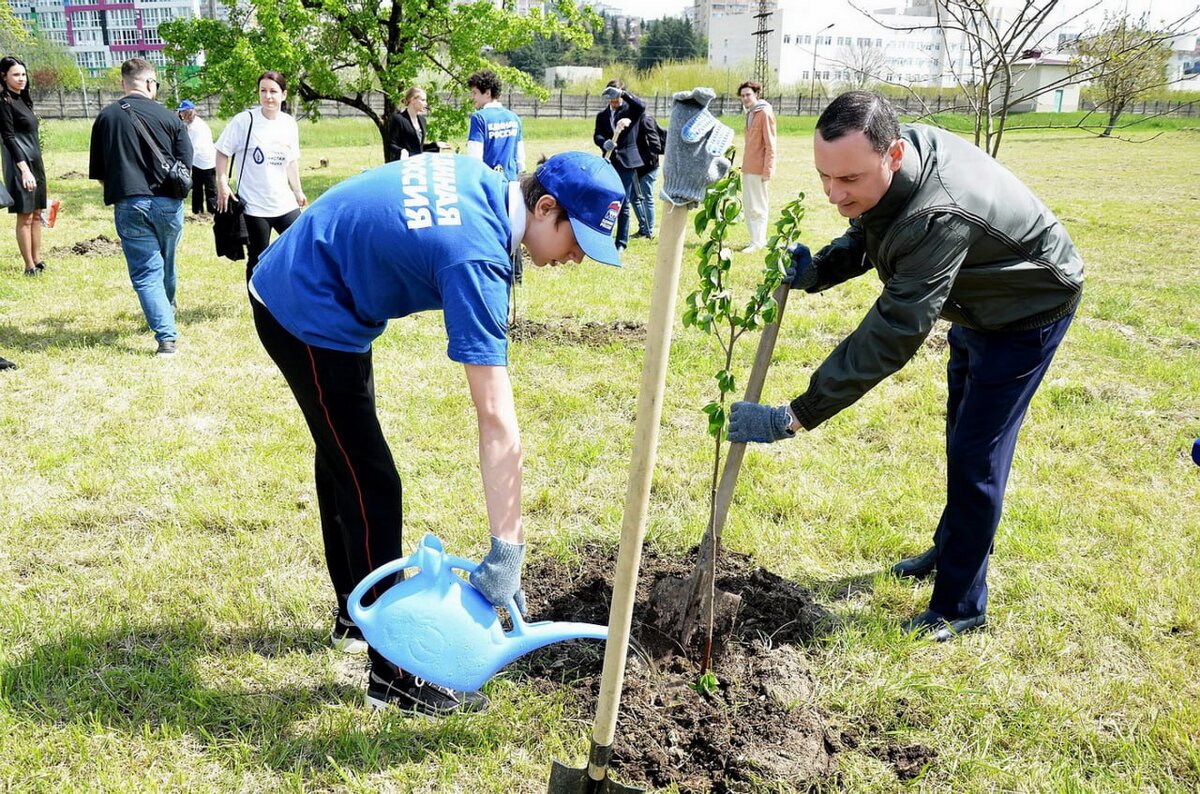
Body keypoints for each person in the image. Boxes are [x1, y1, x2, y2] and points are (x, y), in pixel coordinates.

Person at [247, 151, 624, 716]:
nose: (575, 260)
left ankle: (356, 614)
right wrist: (507, 549)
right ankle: (394, 673)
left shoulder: (487, 186)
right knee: (371, 482)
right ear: (545, 208)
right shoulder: (476, 256)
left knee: (345, 454)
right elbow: (495, 415)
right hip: (304, 304)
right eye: (577, 243)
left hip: (322, 285)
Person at [728, 91, 1084, 642]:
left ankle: (961, 605)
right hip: (977, 296)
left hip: (1027, 306)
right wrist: (818, 270)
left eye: (847, 180)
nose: (833, 193)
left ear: (891, 155)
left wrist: (794, 415)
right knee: (960, 433)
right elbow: (871, 227)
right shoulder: (895, 162)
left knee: (977, 453)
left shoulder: (936, 215)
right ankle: (951, 549)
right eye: (825, 176)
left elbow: (892, 332)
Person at [89, 57, 192, 356]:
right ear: (149, 83)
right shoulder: (171, 118)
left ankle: (167, 339)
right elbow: (186, 164)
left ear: (124, 83)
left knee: (147, 272)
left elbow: (99, 174)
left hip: (129, 203)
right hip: (169, 204)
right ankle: (167, 309)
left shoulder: (106, 117)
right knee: (167, 262)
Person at [214, 71, 306, 279]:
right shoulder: (244, 121)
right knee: (258, 258)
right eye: (263, 91)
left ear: (284, 94)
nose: (268, 96)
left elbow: (291, 161)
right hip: (255, 207)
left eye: (273, 91)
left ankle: (291, 293)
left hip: (284, 203)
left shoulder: (289, 123)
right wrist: (222, 181)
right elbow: (222, 151)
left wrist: (298, 191)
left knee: (302, 246)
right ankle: (259, 307)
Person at [0, 56, 48, 276]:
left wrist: (34, 166)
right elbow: (9, 138)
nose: (21, 79)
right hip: (20, 163)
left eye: (23, 74)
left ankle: (37, 259)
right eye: (15, 75)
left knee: (37, 212)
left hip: (35, 161)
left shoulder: (24, 99)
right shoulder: (4, 101)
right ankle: (28, 265)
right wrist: (24, 169)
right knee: (25, 215)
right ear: (4, 77)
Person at [592, 79, 646, 250]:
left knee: (623, 202)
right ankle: (602, 235)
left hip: (626, 162)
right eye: (612, 98)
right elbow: (597, 135)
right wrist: (604, 143)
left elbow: (641, 106)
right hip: (609, 161)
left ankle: (621, 242)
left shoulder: (631, 111)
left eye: (617, 97)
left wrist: (623, 93)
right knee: (606, 200)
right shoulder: (602, 116)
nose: (614, 101)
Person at [738, 80, 776, 253]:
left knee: (758, 206)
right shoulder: (750, 113)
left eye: (748, 95)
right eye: (743, 95)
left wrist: (768, 169)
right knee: (749, 205)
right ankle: (755, 239)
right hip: (748, 168)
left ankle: (758, 242)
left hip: (759, 169)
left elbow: (770, 143)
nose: (745, 98)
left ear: (756, 95)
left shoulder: (764, 112)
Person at [465, 70, 525, 179]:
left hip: (489, 182)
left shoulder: (479, 118)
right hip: (511, 181)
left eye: (474, 93)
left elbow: (474, 158)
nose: (472, 97)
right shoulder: (514, 118)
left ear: (487, 93)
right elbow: (520, 158)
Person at [177, 100, 216, 214]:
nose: (181, 114)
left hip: (207, 161)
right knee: (197, 187)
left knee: (211, 188)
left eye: (182, 112)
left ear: (188, 112)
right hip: (197, 162)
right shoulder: (190, 125)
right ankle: (197, 211)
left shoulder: (197, 126)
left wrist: (186, 160)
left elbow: (196, 147)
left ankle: (213, 211)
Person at [632, 112, 665, 240]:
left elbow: (655, 145)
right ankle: (643, 228)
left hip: (648, 166)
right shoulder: (631, 118)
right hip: (635, 166)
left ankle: (649, 232)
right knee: (633, 197)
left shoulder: (646, 119)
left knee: (646, 197)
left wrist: (644, 159)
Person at [385, 87, 441, 162]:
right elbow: (391, 144)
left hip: (418, 164)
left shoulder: (422, 120)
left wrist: (435, 145)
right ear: (413, 100)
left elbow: (417, 147)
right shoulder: (398, 119)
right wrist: (401, 151)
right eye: (423, 100)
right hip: (403, 165)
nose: (426, 103)